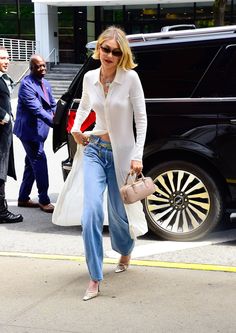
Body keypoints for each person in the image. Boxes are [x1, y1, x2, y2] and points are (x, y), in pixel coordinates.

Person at [70, 26, 147, 300]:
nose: (109, 55)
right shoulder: (90, 77)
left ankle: (125, 249)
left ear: (122, 54)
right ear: (98, 48)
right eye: (105, 49)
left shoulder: (130, 78)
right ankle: (94, 277)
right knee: (90, 212)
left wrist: (137, 154)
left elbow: (141, 118)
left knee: (118, 213)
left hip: (122, 154)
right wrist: (77, 128)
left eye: (115, 51)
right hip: (94, 149)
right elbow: (84, 106)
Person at [13, 55, 56, 213]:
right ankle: (44, 199)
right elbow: (37, 109)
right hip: (29, 132)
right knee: (39, 161)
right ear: (31, 68)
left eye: (44, 65)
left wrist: (59, 116)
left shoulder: (46, 83)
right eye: (38, 66)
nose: (42, 69)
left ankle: (23, 198)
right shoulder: (26, 85)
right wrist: (54, 122)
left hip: (40, 132)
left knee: (30, 164)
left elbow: (52, 104)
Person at [0, 46, 23, 224]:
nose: (6, 61)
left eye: (7, 58)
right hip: (1, 132)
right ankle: (2, 212)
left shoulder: (3, 78)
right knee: (0, 171)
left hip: (5, 133)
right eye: (2, 58)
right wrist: (3, 116)